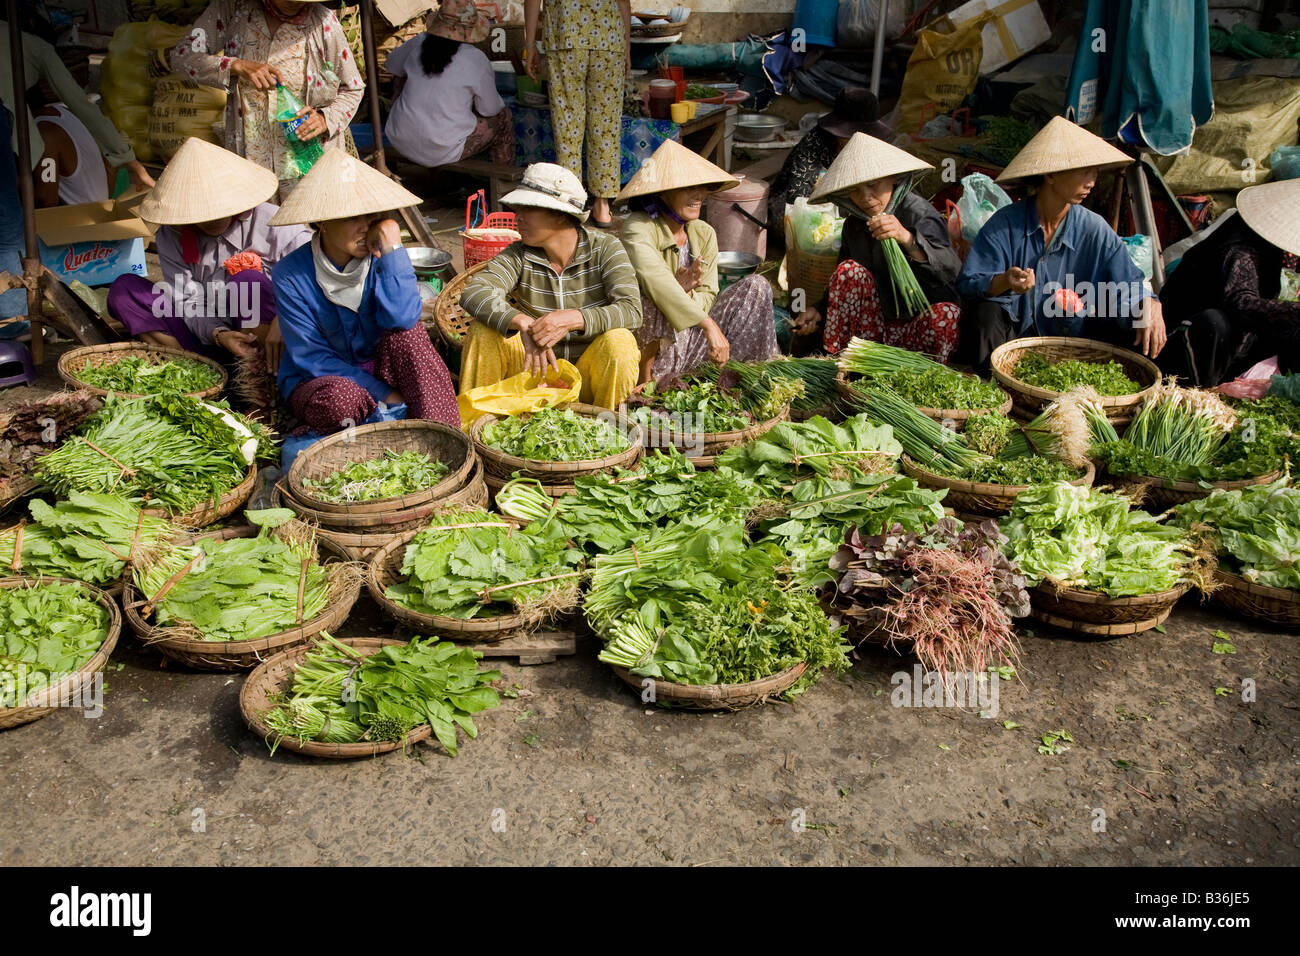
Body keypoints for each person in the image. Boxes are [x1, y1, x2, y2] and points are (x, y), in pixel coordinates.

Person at [107, 138, 310, 405]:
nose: (210, 219)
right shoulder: (173, 236)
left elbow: (312, 277)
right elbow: (187, 300)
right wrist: (219, 335)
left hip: (275, 346)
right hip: (211, 341)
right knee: (125, 291)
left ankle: (259, 387)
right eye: (200, 213)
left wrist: (283, 320)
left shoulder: (275, 222)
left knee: (247, 280)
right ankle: (199, 376)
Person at [269, 150, 460, 434]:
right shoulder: (290, 274)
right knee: (341, 400)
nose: (364, 227)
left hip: (381, 366)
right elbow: (313, 359)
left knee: (412, 338)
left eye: (370, 216)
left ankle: (444, 439)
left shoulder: (384, 256)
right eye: (351, 217)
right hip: (322, 381)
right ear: (322, 221)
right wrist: (384, 393)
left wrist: (393, 247)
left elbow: (403, 319)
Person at [956, 116, 1166, 371]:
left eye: (1095, 171)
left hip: (1075, 339)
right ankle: (993, 389)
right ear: (1052, 174)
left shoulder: (1094, 229)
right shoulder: (1005, 225)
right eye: (1083, 171)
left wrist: (1150, 303)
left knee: (1139, 317)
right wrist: (1004, 282)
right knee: (984, 314)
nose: (1092, 181)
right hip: (1011, 339)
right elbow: (968, 284)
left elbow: (1129, 283)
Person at [1, 18, 153, 324]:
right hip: (24, 163)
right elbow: (84, 107)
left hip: (68, 213)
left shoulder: (46, 130)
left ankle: (12, 322)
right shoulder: (33, 51)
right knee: (10, 232)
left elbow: (45, 197)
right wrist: (132, 163)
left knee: (11, 230)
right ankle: (13, 323)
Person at [459, 162, 642, 409]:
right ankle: (473, 432)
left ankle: (612, 436)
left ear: (558, 213)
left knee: (620, 342)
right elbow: (474, 292)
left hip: (588, 378)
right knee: (484, 331)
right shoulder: (519, 254)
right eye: (517, 208)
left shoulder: (605, 248)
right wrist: (520, 321)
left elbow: (631, 310)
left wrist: (575, 318)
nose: (518, 216)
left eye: (528, 208)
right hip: (533, 372)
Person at [791, 133, 963, 360]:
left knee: (947, 316)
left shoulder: (920, 214)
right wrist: (818, 309)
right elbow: (844, 282)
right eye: (855, 190)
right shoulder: (855, 223)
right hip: (871, 332)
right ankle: (846, 363)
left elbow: (951, 270)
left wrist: (906, 238)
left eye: (873, 186)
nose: (866, 198)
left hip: (916, 328)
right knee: (848, 271)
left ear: (893, 178)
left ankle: (915, 374)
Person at [171, 0, 365, 199]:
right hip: (251, 163)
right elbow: (182, 57)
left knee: (308, 227)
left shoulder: (323, 22)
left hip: (306, 160)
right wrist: (236, 65)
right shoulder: (231, 10)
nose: (295, 4)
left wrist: (324, 119)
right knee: (258, 225)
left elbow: (353, 88)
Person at [617, 139, 777, 380]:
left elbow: (710, 294)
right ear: (661, 193)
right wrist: (707, 324)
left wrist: (688, 295)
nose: (699, 196)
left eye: (702, 188)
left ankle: (751, 378)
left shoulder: (703, 232)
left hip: (693, 338)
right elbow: (657, 282)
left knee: (757, 286)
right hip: (656, 344)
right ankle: (649, 383)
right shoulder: (638, 228)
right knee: (655, 299)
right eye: (687, 188)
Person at [1157, 178, 1300, 382]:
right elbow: (1241, 304)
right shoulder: (1240, 249)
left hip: (1234, 342)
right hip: (1186, 337)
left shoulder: (1270, 249)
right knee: (1217, 323)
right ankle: (1199, 390)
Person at [524, 0, 630, 227]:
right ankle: (602, 206)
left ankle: (572, 203)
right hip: (609, 38)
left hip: (566, 36)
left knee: (567, 125)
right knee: (606, 124)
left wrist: (531, 44)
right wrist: (626, 46)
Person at [384, 1, 514, 168]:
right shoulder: (476, 59)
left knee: (400, 78)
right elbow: (489, 110)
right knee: (504, 117)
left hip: (399, 138)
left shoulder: (419, 42)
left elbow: (392, 65)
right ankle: (504, 182)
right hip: (442, 150)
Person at [766, 86, 891, 255]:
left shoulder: (872, 146)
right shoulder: (815, 143)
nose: (855, 138)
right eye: (849, 133)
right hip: (805, 207)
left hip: (853, 207)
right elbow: (798, 197)